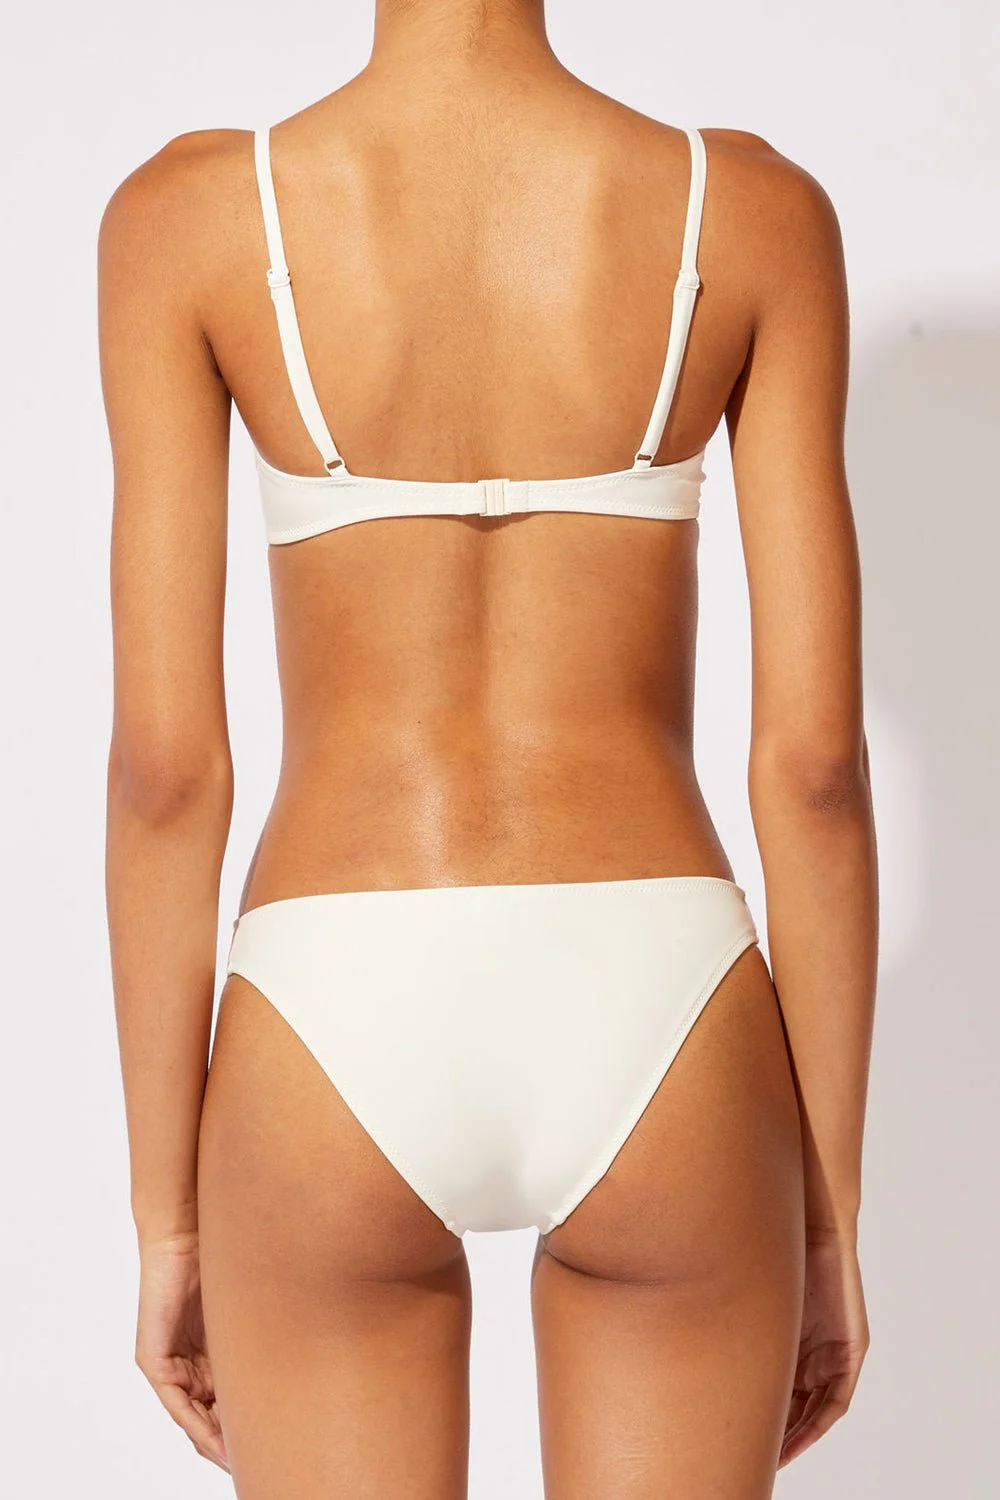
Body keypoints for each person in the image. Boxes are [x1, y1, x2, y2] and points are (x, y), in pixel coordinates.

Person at [98, 1, 877, 1494]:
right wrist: (828, 1219)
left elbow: (167, 773)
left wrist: (168, 1223)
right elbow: (816, 771)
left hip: (329, 1005)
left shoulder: (192, 217)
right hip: (661, 998)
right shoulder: (749, 211)